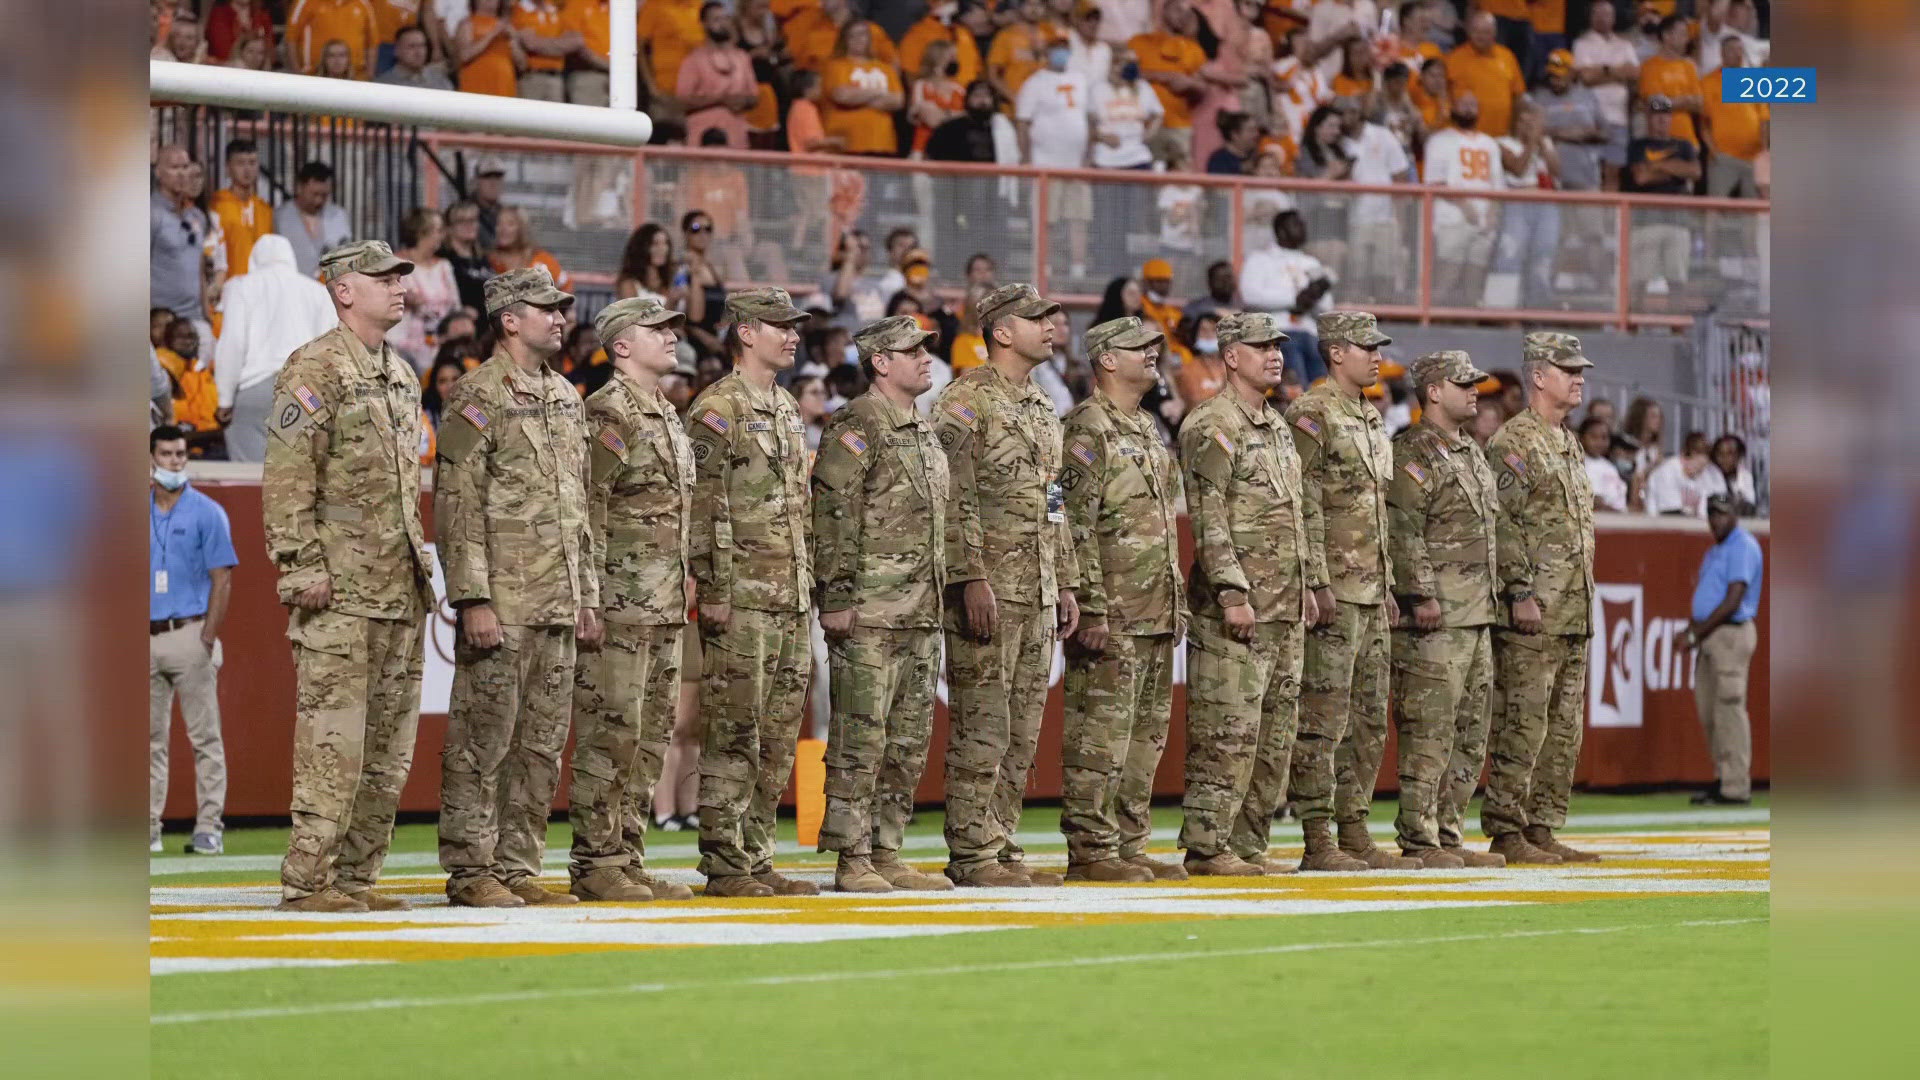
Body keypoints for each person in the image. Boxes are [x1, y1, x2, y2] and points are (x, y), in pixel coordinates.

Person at [262, 240, 435, 911]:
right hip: (339, 590)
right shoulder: (316, 367)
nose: (398, 287)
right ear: (342, 289)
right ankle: (309, 881)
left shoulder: (399, 373)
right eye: (383, 278)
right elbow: (287, 475)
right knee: (333, 742)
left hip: (397, 588)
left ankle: (358, 879)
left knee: (387, 750)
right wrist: (300, 564)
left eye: (400, 278)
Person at [435, 266, 598, 909]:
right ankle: (473, 867)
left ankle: (518, 862)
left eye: (562, 308)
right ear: (509, 319)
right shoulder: (478, 395)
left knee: (540, 741)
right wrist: (472, 595)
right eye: (545, 308)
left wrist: (586, 593)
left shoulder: (565, 395)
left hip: (557, 599)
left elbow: (578, 507)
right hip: (503, 599)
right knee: (484, 738)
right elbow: (458, 501)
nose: (559, 318)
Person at [931, 283, 1081, 887]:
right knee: (983, 723)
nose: (1052, 325)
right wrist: (969, 575)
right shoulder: (965, 401)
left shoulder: (1043, 404)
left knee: (1022, 729)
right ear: (1000, 330)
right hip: (990, 585)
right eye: (1037, 318)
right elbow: (953, 493)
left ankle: (1000, 840)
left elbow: (1053, 499)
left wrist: (1066, 578)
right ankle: (971, 850)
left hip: (1038, 586)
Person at [809, 315, 956, 893]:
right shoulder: (857, 424)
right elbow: (834, 515)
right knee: (860, 736)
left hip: (920, 608)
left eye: (926, 350)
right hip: (870, 609)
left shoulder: (921, 428)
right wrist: (838, 595)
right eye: (912, 351)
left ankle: (887, 847)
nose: (925, 358)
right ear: (880, 363)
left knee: (907, 737)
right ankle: (852, 856)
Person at [682, 288, 817, 898]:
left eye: (794, 327)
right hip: (740, 597)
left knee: (777, 734)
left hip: (789, 594)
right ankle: (725, 860)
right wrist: (712, 587)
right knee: (734, 730)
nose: (791, 336)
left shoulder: (786, 405)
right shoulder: (718, 408)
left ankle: (757, 854)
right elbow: (704, 506)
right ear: (744, 333)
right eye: (779, 326)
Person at [565, 297, 701, 903]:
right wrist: (587, 596)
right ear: (622, 345)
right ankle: (596, 861)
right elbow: (586, 511)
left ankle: (626, 857)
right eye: (658, 330)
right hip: (620, 602)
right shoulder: (607, 414)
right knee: (610, 734)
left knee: (648, 738)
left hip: (664, 603)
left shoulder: (665, 414)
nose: (672, 338)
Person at [1175, 311, 1317, 875]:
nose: (1276, 355)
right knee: (1226, 730)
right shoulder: (1212, 423)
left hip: (1283, 604)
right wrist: (1233, 592)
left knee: (1273, 734)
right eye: (1261, 346)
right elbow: (1209, 518)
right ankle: (1209, 845)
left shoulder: (1277, 425)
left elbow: (1295, 515)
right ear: (1231, 356)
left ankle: (1249, 844)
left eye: (1278, 346)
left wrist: (1305, 583)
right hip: (1237, 608)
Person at [1057, 315, 1189, 882]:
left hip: (1154, 605)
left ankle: (1128, 842)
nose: (1152, 355)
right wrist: (1088, 605)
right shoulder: (1088, 428)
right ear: (1107, 360)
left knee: (1145, 736)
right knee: (1100, 733)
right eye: (1140, 348)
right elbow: (1075, 525)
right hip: (1111, 608)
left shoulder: (1144, 427)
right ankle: (1091, 848)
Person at [1283, 312, 1410, 872]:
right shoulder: (1312, 412)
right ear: (1335, 353)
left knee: (1365, 719)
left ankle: (1355, 827)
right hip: (1334, 588)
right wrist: (1316, 579)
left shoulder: (1369, 415)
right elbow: (1301, 500)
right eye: (1365, 347)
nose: (1376, 355)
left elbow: (1375, 510)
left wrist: (1385, 584)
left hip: (1370, 589)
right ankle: (1317, 836)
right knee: (1323, 718)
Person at [1385, 351, 1511, 869]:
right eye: (1464, 384)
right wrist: (1421, 593)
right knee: (1430, 726)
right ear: (1434, 390)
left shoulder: (1472, 452)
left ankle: (1449, 831)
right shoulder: (1412, 451)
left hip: (1477, 613)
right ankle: (1419, 835)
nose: (1475, 391)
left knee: (1469, 729)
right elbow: (1404, 526)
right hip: (1437, 617)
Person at [1483, 331, 1601, 865]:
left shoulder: (1565, 440)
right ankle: (1508, 828)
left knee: (1562, 727)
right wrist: (1519, 591)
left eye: (1580, 370)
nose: (1579, 378)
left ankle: (1542, 824)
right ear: (1538, 375)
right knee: (1523, 721)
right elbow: (1500, 525)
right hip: (1535, 611)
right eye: (1567, 369)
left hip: (1572, 609)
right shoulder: (1515, 442)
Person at [149, 425, 237, 856]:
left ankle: (208, 827)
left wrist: (207, 636)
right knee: (147, 739)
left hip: (189, 630)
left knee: (205, 737)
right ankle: (147, 827)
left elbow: (223, 579)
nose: (174, 461)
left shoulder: (207, 512)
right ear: (151, 458)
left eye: (180, 454)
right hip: (145, 634)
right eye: (166, 454)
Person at [212, 234, 336, 462]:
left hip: (256, 388)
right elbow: (330, 348)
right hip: (305, 390)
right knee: (296, 475)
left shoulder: (240, 287)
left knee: (251, 479)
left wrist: (224, 399)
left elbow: (233, 343)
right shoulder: (317, 292)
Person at [1685, 493, 1763, 806]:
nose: (1715, 520)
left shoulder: (1742, 545)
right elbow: (1708, 597)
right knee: (1710, 712)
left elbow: (1733, 600)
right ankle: (1723, 777)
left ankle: (1736, 786)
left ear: (1735, 515)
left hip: (1729, 634)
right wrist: (1691, 630)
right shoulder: (1716, 551)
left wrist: (1696, 634)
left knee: (1729, 709)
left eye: (1721, 513)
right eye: (1711, 514)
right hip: (1710, 636)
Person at [1017, 39, 1094, 278]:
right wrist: (1026, 160)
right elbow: (1022, 122)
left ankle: (1078, 268)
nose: (1061, 53)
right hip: (1045, 163)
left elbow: (1088, 119)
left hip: (1076, 165)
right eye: (1056, 48)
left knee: (1079, 217)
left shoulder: (1080, 79)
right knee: (1046, 219)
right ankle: (1045, 266)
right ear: (1047, 51)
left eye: (1064, 48)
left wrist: (1088, 156)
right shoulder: (1034, 83)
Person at [1423, 91, 1505, 307]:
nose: (1469, 109)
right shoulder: (1439, 141)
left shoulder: (1490, 144)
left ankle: (1470, 329)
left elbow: (1497, 185)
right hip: (1452, 219)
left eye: (1473, 104)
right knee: (1447, 276)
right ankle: (1433, 326)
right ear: (1453, 108)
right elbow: (1435, 181)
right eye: (1463, 104)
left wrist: (1492, 214)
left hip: (1483, 222)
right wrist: (1465, 205)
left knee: (1475, 282)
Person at [1239, 211, 1334, 384]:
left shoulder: (1311, 262)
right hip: (1278, 332)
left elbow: (1327, 305)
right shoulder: (1260, 259)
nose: (1304, 229)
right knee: (1296, 388)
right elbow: (1249, 294)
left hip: (1310, 333)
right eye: (1297, 225)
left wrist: (1311, 299)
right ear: (1281, 230)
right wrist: (1293, 300)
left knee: (1324, 391)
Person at [1492, 100, 1562, 309]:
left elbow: (1557, 172)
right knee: (1510, 255)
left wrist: (1541, 143)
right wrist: (1531, 143)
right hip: (1516, 206)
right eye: (1524, 121)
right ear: (1515, 122)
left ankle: (1538, 310)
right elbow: (1518, 169)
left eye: (1533, 122)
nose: (1528, 126)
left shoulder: (1544, 143)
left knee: (1543, 258)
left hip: (1546, 206)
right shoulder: (1502, 142)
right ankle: (1503, 310)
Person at [387, 208, 463, 373]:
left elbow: (456, 308)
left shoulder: (444, 267)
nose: (442, 235)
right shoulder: (396, 264)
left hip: (440, 346)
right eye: (438, 230)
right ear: (422, 233)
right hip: (403, 347)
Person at [1572, 1, 1638, 189]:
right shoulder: (1582, 43)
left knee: (1613, 170)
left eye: (1606, 14)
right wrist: (1617, 72)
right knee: (1591, 170)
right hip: (1592, 117)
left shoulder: (1624, 44)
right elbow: (1586, 77)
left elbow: (1634, 74)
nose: (1602, 18)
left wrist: (1601, 71)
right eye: (1597, 13)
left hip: (1620, 117)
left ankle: (1612, 218)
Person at [1129, 0, 1207, 163]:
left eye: (1187, 12)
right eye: (1178, 10)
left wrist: (1189, 83)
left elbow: (1204, 88)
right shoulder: (1140, 42)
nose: (1182, 16)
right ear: (1165, 10)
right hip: (1145, 124)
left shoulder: (1194, 49)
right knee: (1148, 177)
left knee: (1181, 180)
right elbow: (1127, 74)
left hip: (1180, 126)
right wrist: (1167, 77)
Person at [677, 1, 759, 148]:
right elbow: (683, 101)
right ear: (704, 24)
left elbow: (753, 96)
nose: (723, 23)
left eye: (726, 18)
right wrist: (721, 100)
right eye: (716, 19)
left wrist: (743, 101)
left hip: (736, 135)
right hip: (703, 136)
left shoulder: (742, 57)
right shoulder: (693, 60)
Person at [1700, 36, 1769, 199]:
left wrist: (1764, 153)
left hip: (1753, 158)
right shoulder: (1708, 82)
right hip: (1724, 158)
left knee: (1752, 213)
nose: (1737, 54)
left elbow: (1764, 119)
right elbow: (1703, 124)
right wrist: (1715, 152)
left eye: (1740, 50)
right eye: (1732, 50)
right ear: (1722, 53)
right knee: (1715, 208)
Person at [823, 21, 906, 156]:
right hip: (847, 144)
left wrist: (859, 97)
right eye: (852, 36)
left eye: (862, 34)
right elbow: (842, 96)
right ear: (845, 39)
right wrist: (878, 92)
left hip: (882, 143)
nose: (858, 39)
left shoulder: (885, 68)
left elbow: (898, 100)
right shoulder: (835, 66)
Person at [1445, 12, 1526, 138]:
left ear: (1495, 33)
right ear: (1468, 32)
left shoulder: (1507, 56)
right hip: (1466, 137)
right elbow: (1445, 96)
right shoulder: (1454, 59)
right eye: (1476, 31)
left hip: (1502, 136)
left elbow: (1518, 96)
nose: (1481, 36)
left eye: (1486, 32)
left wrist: (1514, 130)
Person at [150, 146, 207, 329]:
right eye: (174, 168)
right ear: (159, 172)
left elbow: (200, 268)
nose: (182, 174)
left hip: (196, 319)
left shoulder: (197, 216)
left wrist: (206, 313)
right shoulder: (150, 214)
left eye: (185, 167)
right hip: (162, 323)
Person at [274, 161, 353, 279]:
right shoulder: (280, 217)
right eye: (314, 194)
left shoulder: (338, 216)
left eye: (324, 195)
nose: (319, 201)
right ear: (299, 188)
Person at [1089, 46, 1163, 170]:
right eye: (1117, 63)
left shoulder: (1143, 88)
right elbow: (1088, 125)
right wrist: (1102, 137)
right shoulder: (1098, 90)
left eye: (1127, 64)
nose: (1119, 68)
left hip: (1138, 157)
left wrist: (1148, 134)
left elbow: (1158, 114)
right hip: (1106, 159)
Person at [207, 139, 272, 279]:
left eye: (252, 162)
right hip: (226, 288)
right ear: (228, 167)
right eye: (240, 163)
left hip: (259, 288)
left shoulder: (265, 209)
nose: (247, 169)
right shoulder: (216, 205)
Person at [1638, 15, 1703, 148]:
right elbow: (1655, 104)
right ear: (1666, 36)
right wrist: (1686, 101)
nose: (1687, 39)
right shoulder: (1649, 66)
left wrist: (1670, 101)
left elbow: (1699, 103)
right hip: (1660, 141)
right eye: (1683, 34)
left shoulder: (1688, 66)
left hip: (1688, 141)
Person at [489, 207, 573, 293]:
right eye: (499, 224)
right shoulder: (490, 261)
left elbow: (566, 286)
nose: (503, 229)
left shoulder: (541, 259)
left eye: (510, 224)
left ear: (522, 228)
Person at [901, 1, 984, 89]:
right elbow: (911, 76)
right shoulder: (917, 34)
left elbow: (978, 69)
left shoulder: (963, 32)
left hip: (967, 97)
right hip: (938, 98)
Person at [1643, 430, 1726, 517]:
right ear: (1683, 456)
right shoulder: (1667, 472)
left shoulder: (1709, 473)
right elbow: (1671, 514)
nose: (1698, 468)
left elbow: (1721, 505)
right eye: (1695, 461)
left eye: (1702, 465)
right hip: (1660, 525)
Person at [454, 0, 524, 97]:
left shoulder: (507, 27)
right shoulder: (467, 24)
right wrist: (492, 34)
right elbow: (464, 56)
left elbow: (522, 65)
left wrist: (514, 41)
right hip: (476, 86)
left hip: (503, 87)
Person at [511, 0, 577, 102]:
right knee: (529, 116)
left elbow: (574, 42)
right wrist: (559, 44)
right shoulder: (520, 9)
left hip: (556, 78)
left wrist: (541, 43)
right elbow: (531, 43)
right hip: (532, 78)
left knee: (555, 117)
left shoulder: (555, 10)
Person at [287, 0, 375, 76]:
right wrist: (296, 72)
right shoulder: (305, 2)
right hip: (313, 75)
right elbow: (291, 37)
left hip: (355, 76)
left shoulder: (363, 3)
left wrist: (369, 74)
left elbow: (372, 42)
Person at [926, 78, 1002, 162]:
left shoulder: (1002, 130)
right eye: (977, 95)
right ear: (967, 99)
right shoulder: (949, 129)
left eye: (987, 96)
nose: (983, 100)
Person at [440, 200, 494, 316]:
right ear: (449, 228)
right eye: (461, 221)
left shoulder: (482, 259)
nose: (469, 225)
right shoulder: (444, 258)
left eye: (473, 220)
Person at [376, 24, 455, 89]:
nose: (419, 52)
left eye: (422, 46)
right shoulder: (384, 85)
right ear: (397, 51)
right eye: (412, 46)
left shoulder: (440, 80)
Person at [1581, 416, 1629, 511]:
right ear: (1582, 438)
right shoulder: (1578, 465)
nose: (1599, 442)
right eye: (1594, 437)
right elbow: (1593, 500)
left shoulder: (1610, 467)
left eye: (1604, 437)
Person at [1710, 433, 1757, 514]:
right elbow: (1714, 502)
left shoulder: (1745, 476)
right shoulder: (1708, 474)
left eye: (1729, 453)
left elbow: (1750, 504)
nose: (1724, 458)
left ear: (1739, 455)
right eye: (1720, 453)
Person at [1205, 110, 1261, 175]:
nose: (1257, 134)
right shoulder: (1219, 161)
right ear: (1234, 134)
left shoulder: (1256, 156)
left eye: (1256, 130)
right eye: (1251, 130)